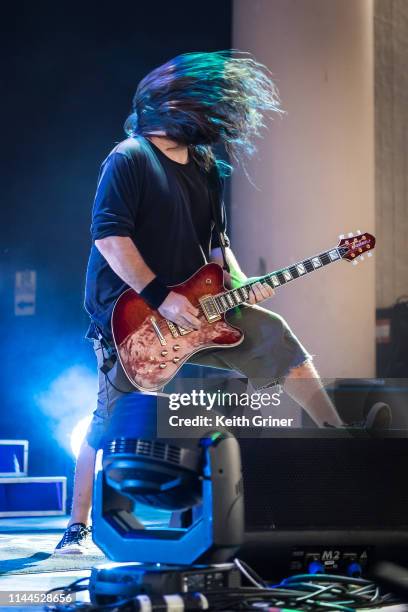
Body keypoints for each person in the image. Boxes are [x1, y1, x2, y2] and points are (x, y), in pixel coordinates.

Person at [54, 51, 390, 554]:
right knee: (109, 420)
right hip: (134, 315)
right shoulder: (129, 157)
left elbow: (217, 244)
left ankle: (339, 438)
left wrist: (240, 281)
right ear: (177, 106)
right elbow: (109, 239)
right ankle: (77, 525)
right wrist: (160, 298)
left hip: (198, 307)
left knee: (271, 332)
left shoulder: (206, 165)